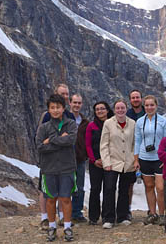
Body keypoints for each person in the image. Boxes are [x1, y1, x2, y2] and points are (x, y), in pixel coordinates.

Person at [36, 94, 77, 242]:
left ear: (63, 108)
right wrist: (61, 140)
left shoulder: (71, 124)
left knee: (66, 198)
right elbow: (40, 146)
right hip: (49, 169)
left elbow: (71, 140)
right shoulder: (44, 127)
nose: (55, 110)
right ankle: (52, 226)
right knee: (51, 199)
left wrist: (51, 141)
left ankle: (67, 227)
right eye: (52, 108)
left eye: (58, 107)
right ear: (48, 110)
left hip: (67, 168)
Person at [100, 99, 136, 228]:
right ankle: (108, 218)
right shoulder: (108, 123)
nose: (120, 110)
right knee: (109, 189)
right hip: (112, 161)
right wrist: (106, 162)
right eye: (118, 108)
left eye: (122, 108)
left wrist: (133, 159)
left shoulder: (132, 123)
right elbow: (104, 144)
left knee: (124, 190)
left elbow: (134, 143)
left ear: (126, 109)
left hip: (127, 162)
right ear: (114, 110)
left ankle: (122, 216)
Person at [134, 95, 166, 225]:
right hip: (144, 158)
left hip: (159, 158)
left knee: (160, 188)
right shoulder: (139, 121)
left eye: (152, 105)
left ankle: (162, 215)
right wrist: (136, 159)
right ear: (144, 106)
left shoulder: (163, 121)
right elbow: (137, 140)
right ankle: (152, 214)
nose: (149, 107)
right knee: (149, 186)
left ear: (156, 105)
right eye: (147, 105)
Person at [85, 101, 115, 225]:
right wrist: (94, 160)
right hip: (95, 163)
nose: (100, 111)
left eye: (102, 109)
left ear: (107, 110)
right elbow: (88, 145)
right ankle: (93, 217)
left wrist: (109, 159)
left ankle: (108, 218)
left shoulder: (114, 125)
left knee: (109, 188)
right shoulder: (91, 126)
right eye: (97, 109)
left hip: (111, 162)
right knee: (95, 189)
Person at [125, 89, 145, 219]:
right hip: (131, 152)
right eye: (133, 98)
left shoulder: (148, 111)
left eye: (137, 97)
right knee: (129, 183)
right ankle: (127, 210)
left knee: (151, 182)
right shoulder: (126, 114)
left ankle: (152, 211)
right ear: (130, 100)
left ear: (141, 99)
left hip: (148, 152)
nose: (135, 99)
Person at [70, 94, 89, 223]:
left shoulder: (85, 122)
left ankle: (77, 213)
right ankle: (64, 214)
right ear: (70, 103)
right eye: (74, 102)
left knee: (80, 187)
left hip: (80, 159)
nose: (77, 105)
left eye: (79, 103)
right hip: (66, 159)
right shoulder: (64, 119)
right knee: (66, 187)